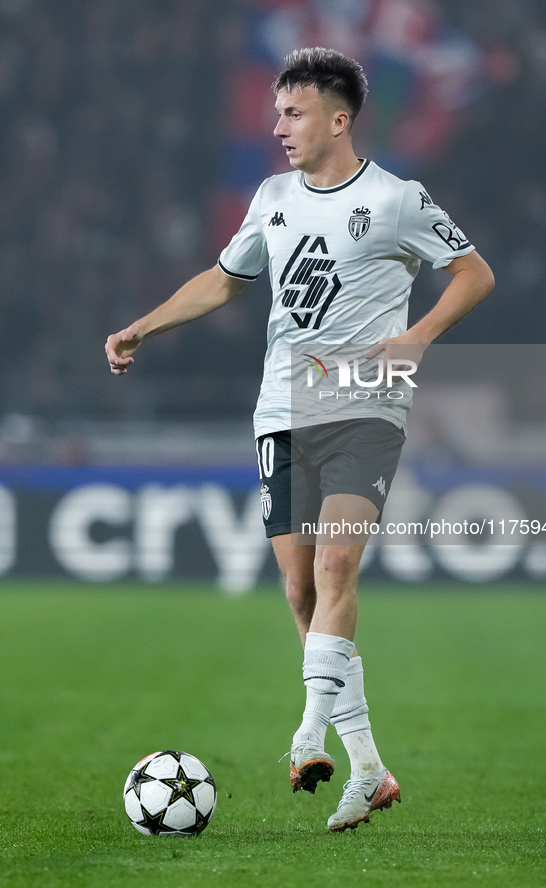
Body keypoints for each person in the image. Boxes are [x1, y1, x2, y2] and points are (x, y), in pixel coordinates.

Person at [105, 47, 494, 832]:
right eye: (276, 112)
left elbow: (474, 273)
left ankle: (307, 735)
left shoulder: (395, 200)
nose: (276, 125)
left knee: (335, 561)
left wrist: (415, 337)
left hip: (362, 405)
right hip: (280, 408)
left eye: (293, 113)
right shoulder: (273, 196)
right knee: (301, 593)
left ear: (338, 118)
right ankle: (370, 769)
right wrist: (143, 325)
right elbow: (224, 278)